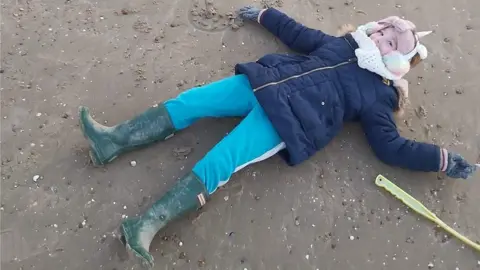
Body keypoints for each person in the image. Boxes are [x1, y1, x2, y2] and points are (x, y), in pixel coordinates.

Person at [77, 6, 477, 268]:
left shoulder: (378, 96)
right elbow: (298, 35)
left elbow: (391, 146)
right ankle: (112, 141)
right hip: (263, 83)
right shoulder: (341, 44)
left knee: (221, 160)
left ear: (398, 62)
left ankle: (146, 225)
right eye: (383, 33)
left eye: (390, 44)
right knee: (191, 102)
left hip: (286, 123)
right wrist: (265, 14)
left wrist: (440, 158)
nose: (380, 40)